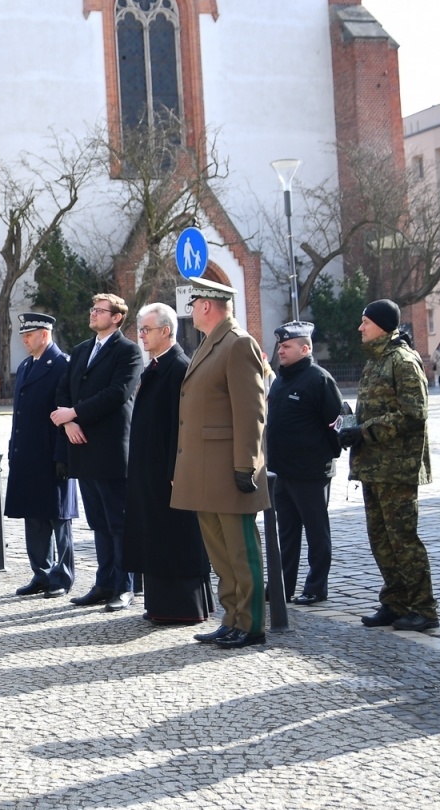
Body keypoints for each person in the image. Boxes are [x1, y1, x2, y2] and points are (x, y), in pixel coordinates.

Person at [171, 277, 270, 649]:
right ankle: (231, 618)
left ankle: (251, 624)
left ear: (207, 305)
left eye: (193, 303)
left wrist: (246, 465)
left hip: (229, 470)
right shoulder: (210, 343)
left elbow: (251, 411)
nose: (191, 310)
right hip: (205, 472)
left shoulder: (237, 343)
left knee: (241, 552)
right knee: (221, 554)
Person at [340, 299, 440, 632]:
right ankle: (395, 603)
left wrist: (364, 431)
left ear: (382, 326)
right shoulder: (376, 360)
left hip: (397, 468)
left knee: (403, 541)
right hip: (373, 466)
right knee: (381, 540)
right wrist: (350, 427)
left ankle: (424, 608)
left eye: (366, 322)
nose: (360, 327)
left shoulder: (403, 361)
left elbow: (414, 414)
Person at [52, 293, 144, 612]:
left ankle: (125, 586)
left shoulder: (128, 351)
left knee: (118, 522)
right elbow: (63, 390)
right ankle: (104, 583)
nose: (93, 313)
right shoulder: (81, 350)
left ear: (116, 317)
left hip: (111, 449)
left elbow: (117, 393)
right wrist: (68, 423)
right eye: (92, 309)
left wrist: (75, 413)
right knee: (98, 522)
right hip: (81, 447)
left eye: (100, 310)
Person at [122, 301, 212, 625]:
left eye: (146, 329)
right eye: (140, 329)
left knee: (177, 538)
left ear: (166, 331)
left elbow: (183, 424)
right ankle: (160, 605)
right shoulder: (157, 366)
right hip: (151, 472)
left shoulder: (179, 368)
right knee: (155, 537)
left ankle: (184, 607)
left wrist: (178, 468)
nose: (141, 335)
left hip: (171, 473)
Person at [265, 321, 344, 607]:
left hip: (310, 473)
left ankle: (316, 587)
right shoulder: (281, 380)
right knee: (286, 534)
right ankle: (282, 586)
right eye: (280, 346)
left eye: (287, 346)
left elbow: (338, 424)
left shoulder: (319, 379)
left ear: (305, 348)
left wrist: (323, 458)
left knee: (316, 531)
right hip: (281, 472)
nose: (281, 351)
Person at [5, 312, 77, 598]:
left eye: (29, 335)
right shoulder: (26, 365)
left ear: (45, 335)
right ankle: (41, 573)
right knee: (33, 518)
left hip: (52, 455)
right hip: (28, 455)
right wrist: (13, 449)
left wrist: (64, 456)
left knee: (59, 519)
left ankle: (62, 576)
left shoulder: (62, 365)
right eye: (23, 335)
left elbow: (67, 411)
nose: (24, 340)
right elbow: (20, 416)